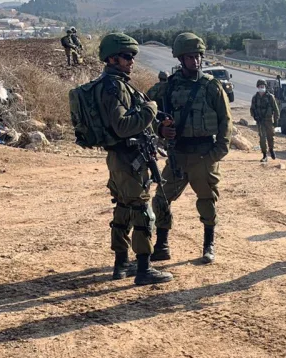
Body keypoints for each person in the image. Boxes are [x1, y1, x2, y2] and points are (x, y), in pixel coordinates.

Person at [94, 33, 173, 286]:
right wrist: (150, 109)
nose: (132, 61)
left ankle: (121, 265)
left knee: (123, 208)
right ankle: (143, 268)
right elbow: (122, 125)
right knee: (141, 211)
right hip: (128, 158)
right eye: (127, 57)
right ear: (112, 58)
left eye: (132, 57)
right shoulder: (114, 86)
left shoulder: (113, 83)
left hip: (122, 157)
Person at [154, 32, 232, 265]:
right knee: (160, 199)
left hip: (203, 154)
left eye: (198, 56)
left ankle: (208, 245)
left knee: (207, 200)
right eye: (190, 57)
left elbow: (226, 122)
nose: (195, 61)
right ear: (180, 58)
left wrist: (217, 153)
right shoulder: (167, 88)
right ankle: (162, 244)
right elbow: (147, 112)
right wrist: (160, 130)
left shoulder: (211, 87)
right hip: (178, 154)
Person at [250, 79, 280, 162]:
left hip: (269, 120)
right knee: (262, 138)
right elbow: (252, 109)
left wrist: (276, 120)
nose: (262, 88)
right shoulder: (255, 98)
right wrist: (255, 117)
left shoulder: (270, 97)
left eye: (263, 86)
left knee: (271, 137)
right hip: (260, 121)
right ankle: (264, 155)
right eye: (260, 86)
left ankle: (271, 150)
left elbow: (276, 110)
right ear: (257, 87)